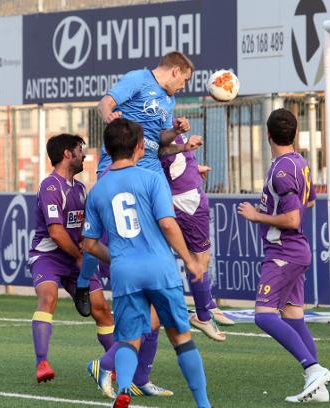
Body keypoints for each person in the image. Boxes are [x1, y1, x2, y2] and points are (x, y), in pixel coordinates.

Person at [79, 51, 201, 398]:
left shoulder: (167, 101)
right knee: (153, 284)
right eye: (185, 79)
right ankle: (84, 282)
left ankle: (137, 376)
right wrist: (109, 115)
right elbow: (106, 102)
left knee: (156, 300)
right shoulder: (138, 79)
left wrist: (175, 135)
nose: (184, 86)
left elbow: (157, 144)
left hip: (148, 173)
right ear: (175, 70)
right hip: (120, 172)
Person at [238, 108, 330, 403]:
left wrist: (257, 216)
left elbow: (292, 219)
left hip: (284, 252)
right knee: (293, 317)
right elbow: (311, 203)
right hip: (295, 250)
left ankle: (313, 368)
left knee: (264, 316)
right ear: (293, 134)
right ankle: (317, 386)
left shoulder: (281, 171)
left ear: (268, 135)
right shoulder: (300, 163)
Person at [28, 134, 114, 383]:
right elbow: (55, 233)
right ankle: (42, 363)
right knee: (48, 297)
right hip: (48, 257)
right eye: (79, 149)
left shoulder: (80, 188)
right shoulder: (50, 186)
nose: (84, 154)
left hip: (76, 257)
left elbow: (87, 226)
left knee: (102, 310)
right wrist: (80, 257)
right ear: (67, 153)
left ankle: (114, 365)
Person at [160, 134, 235, 342]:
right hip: (187, 199)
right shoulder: (157, 118)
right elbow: (161, 154)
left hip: (187, 193)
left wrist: (193, 168)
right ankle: (202, 315)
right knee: (199, 259)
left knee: (199, 258)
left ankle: (207, 304)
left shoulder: (168, 117)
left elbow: (174, 159)